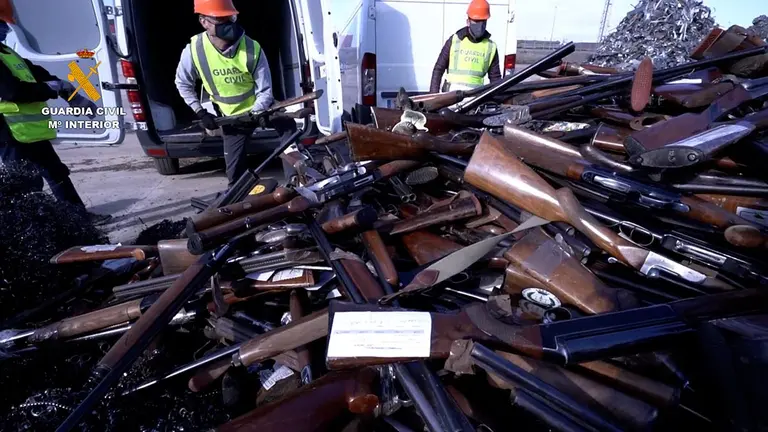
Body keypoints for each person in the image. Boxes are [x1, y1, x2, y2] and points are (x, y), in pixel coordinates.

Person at [0, 15, 110, 224]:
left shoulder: (7, 52)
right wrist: (49, 89)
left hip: (30, 129)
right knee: (26, 184)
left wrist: (70, 92)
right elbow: (13, 92)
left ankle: (78, 217)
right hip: (8, 133)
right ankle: (32, 228)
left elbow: (39, 74)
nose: (4, 28)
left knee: (56, 173)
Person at [175, 0, 275, 188]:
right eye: (220, 19)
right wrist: (200, 112)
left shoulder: (252, 48)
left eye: (230, 17)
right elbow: (183, 84)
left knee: (290, 135)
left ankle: (299, 187)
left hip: (259, 111)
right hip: (231, 120)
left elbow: (265, 90)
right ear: (204, 22)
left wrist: (257, 112)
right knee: (235, 175)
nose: (228, 23)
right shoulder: (194, 50)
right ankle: (242, 204)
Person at [429, 0, 502, 93]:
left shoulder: (491, 47)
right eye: (476, 21)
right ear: (468, 21)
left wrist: (497, 101)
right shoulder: (455, 40)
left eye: (483, 21)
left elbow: (495, 79)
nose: (480, 25)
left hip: (475, 101)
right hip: (450, 99)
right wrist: (434, 96)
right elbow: (438, 69)